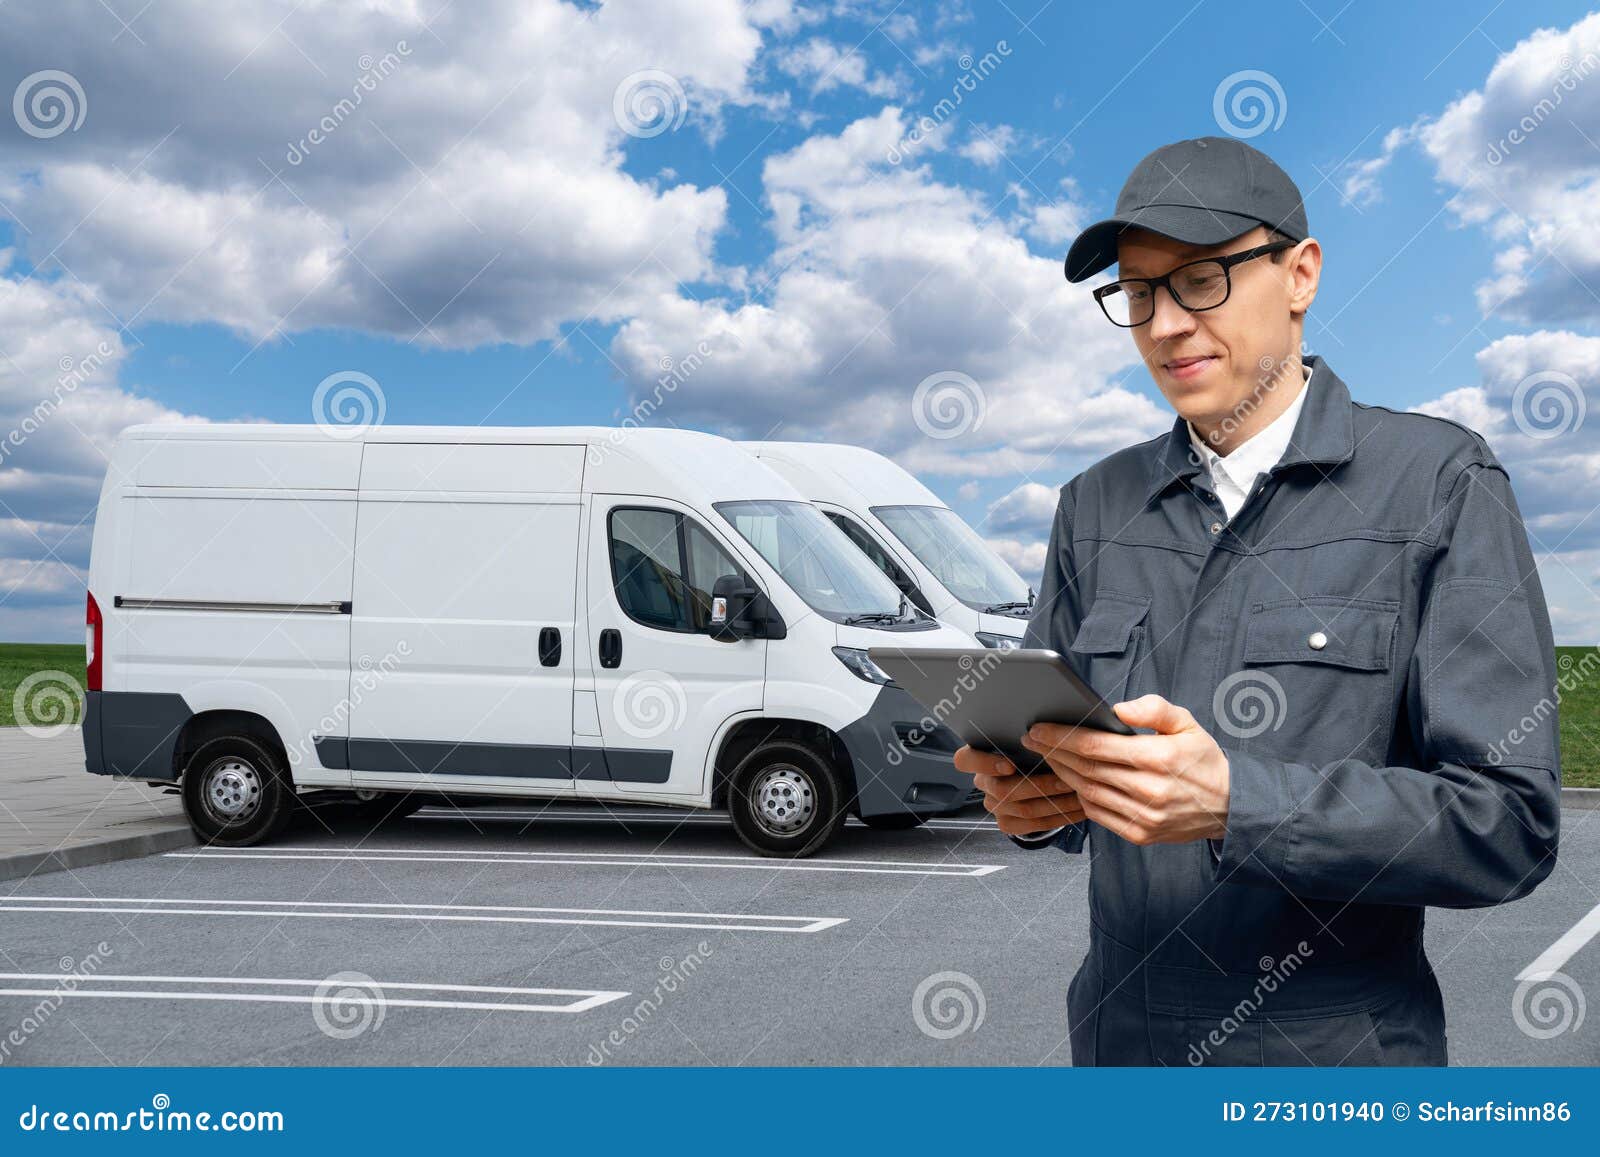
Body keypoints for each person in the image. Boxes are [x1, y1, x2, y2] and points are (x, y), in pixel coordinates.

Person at [954, 135, 1561, 1066]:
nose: (1163, 324)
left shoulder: (1437, 483)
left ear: (1300, 275)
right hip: (1118, 1047)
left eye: (1200, 279)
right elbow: (1062, 752)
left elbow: (1507, 825)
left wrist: (1240, 799)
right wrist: (1038, 798)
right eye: (1140, 292)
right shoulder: (1093, 506)